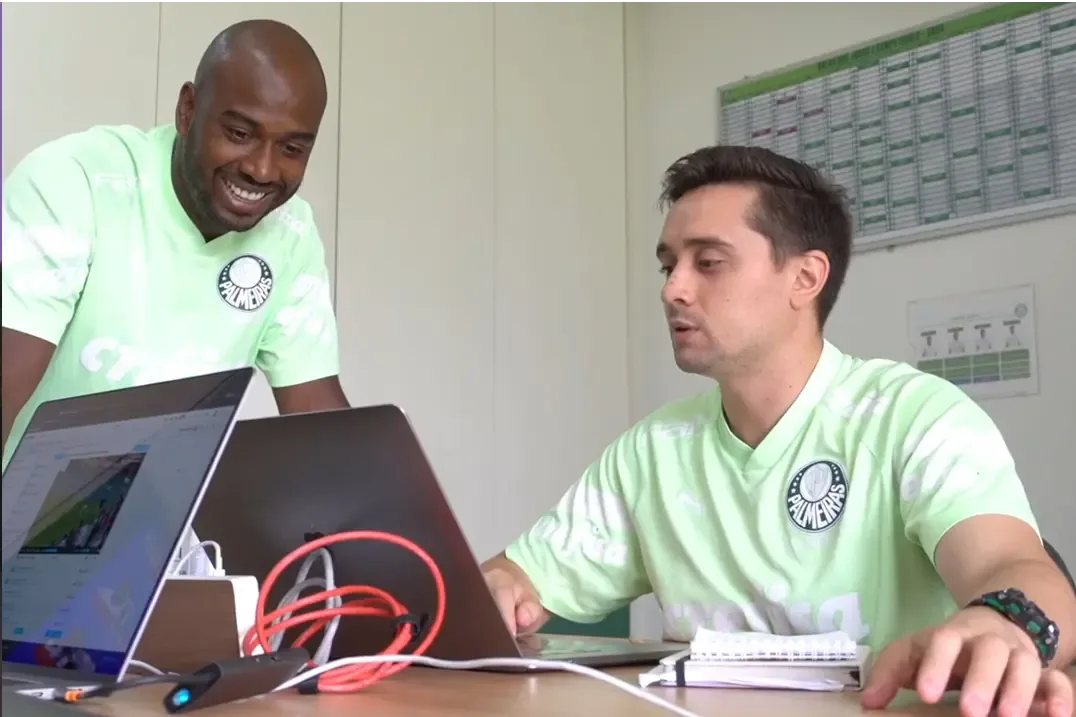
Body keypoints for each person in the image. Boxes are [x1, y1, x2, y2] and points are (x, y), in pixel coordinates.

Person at [481, 146, 1075, 717]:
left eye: (708, 262)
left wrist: (1003, 622)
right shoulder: (653, 452)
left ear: (806, 278)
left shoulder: (913, 416)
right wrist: (498, 584)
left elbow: (1018, 569)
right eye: (669, 265)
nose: (673, 289)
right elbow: (520, 577)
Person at [0, 19, 349, 466]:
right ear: (188, 110)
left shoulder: (291, 232)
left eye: (292, 149)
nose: (263, 171)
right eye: (240, 135)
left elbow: (316, 417)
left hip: (164, 521)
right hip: (29, 515)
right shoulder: (75, 182)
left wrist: (374, 521)